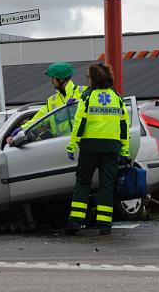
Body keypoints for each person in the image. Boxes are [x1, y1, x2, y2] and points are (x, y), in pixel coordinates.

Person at [64, 63, 129, 236]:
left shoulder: (87, 96)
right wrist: (125, 150)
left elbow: (79, 123)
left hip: (90, 146)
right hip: (112, 147)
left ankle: (75, 222)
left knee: (83, 183)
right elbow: (124, 126)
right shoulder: (117, 97)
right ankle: (104, 225)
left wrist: (72, 144)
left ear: (92, 78)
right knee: (107, 186)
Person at [7, 62, 85, 144]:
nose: (51, 81)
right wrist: (23, 128)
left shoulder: (83, 92)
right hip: (61, 144)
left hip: (83, 143)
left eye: (53, 78)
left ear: (61, 78)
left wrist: (80, 101)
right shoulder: (52, 101)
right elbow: (38, 119)